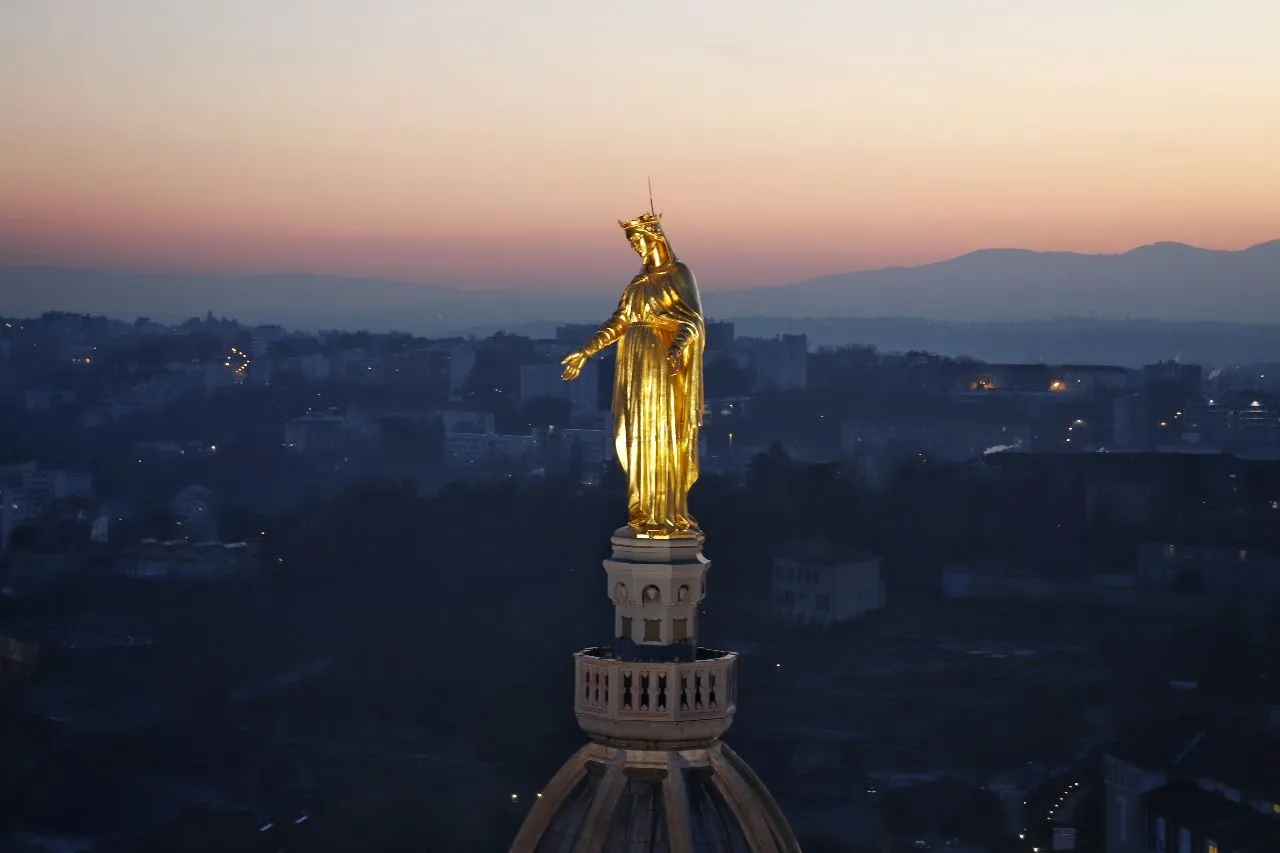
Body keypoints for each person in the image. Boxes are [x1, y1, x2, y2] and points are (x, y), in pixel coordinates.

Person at [561, 209, 705, 537]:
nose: (637, 248)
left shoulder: (679, 274)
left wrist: (675, 347)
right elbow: (619, 322)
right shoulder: (637, 284)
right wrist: (586, 351)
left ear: (656, 238)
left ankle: (665, 511)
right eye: (632, 244)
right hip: (636, 366)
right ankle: (643, 509)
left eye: (639, 241)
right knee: (638, 433)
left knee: (662, 431)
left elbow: (693, 320)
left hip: (661, 365)